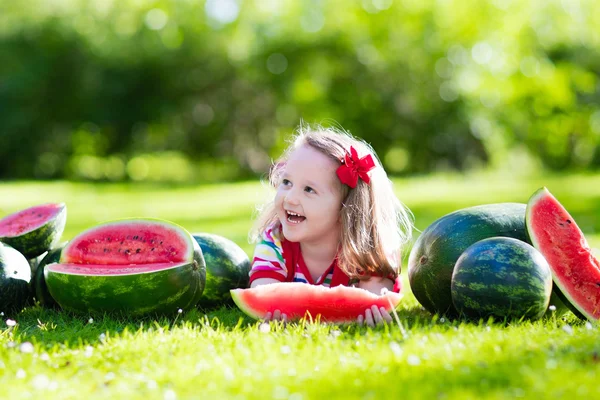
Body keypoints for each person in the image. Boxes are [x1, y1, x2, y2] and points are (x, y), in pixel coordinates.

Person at [248, 124, 413, 326]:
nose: (290, 198)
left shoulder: (368, 249)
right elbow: (263, 291)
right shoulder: (275, 240)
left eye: (309, 189)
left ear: (347, 208)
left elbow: (374, 299)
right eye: (287, 182)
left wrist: (372, 310)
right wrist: (270, 308)